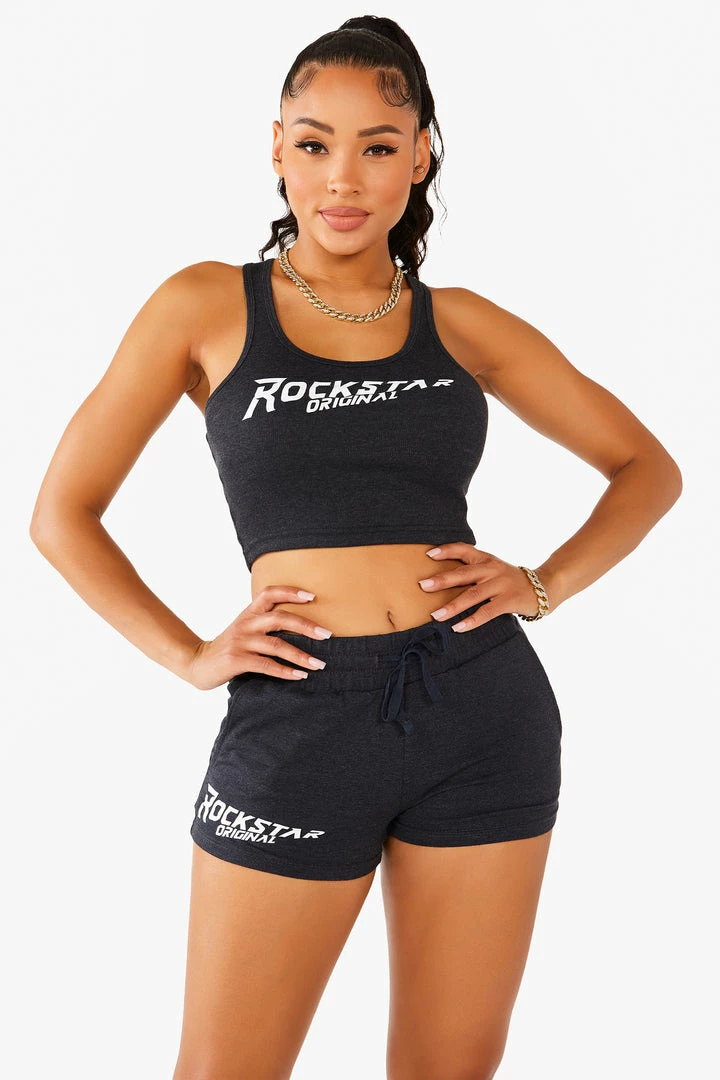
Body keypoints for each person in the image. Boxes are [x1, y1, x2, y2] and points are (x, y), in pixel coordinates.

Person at [29, 14, 682, 1080]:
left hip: (483, 709)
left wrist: (541, 584)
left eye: (378, 146)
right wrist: (191, 655)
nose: (343, 178)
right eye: (314, 142)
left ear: (420, 155)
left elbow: (646, 467)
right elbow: (63, 513)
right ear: (275, 148)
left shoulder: (460, 322)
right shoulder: (206, 305)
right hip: (298, 715)